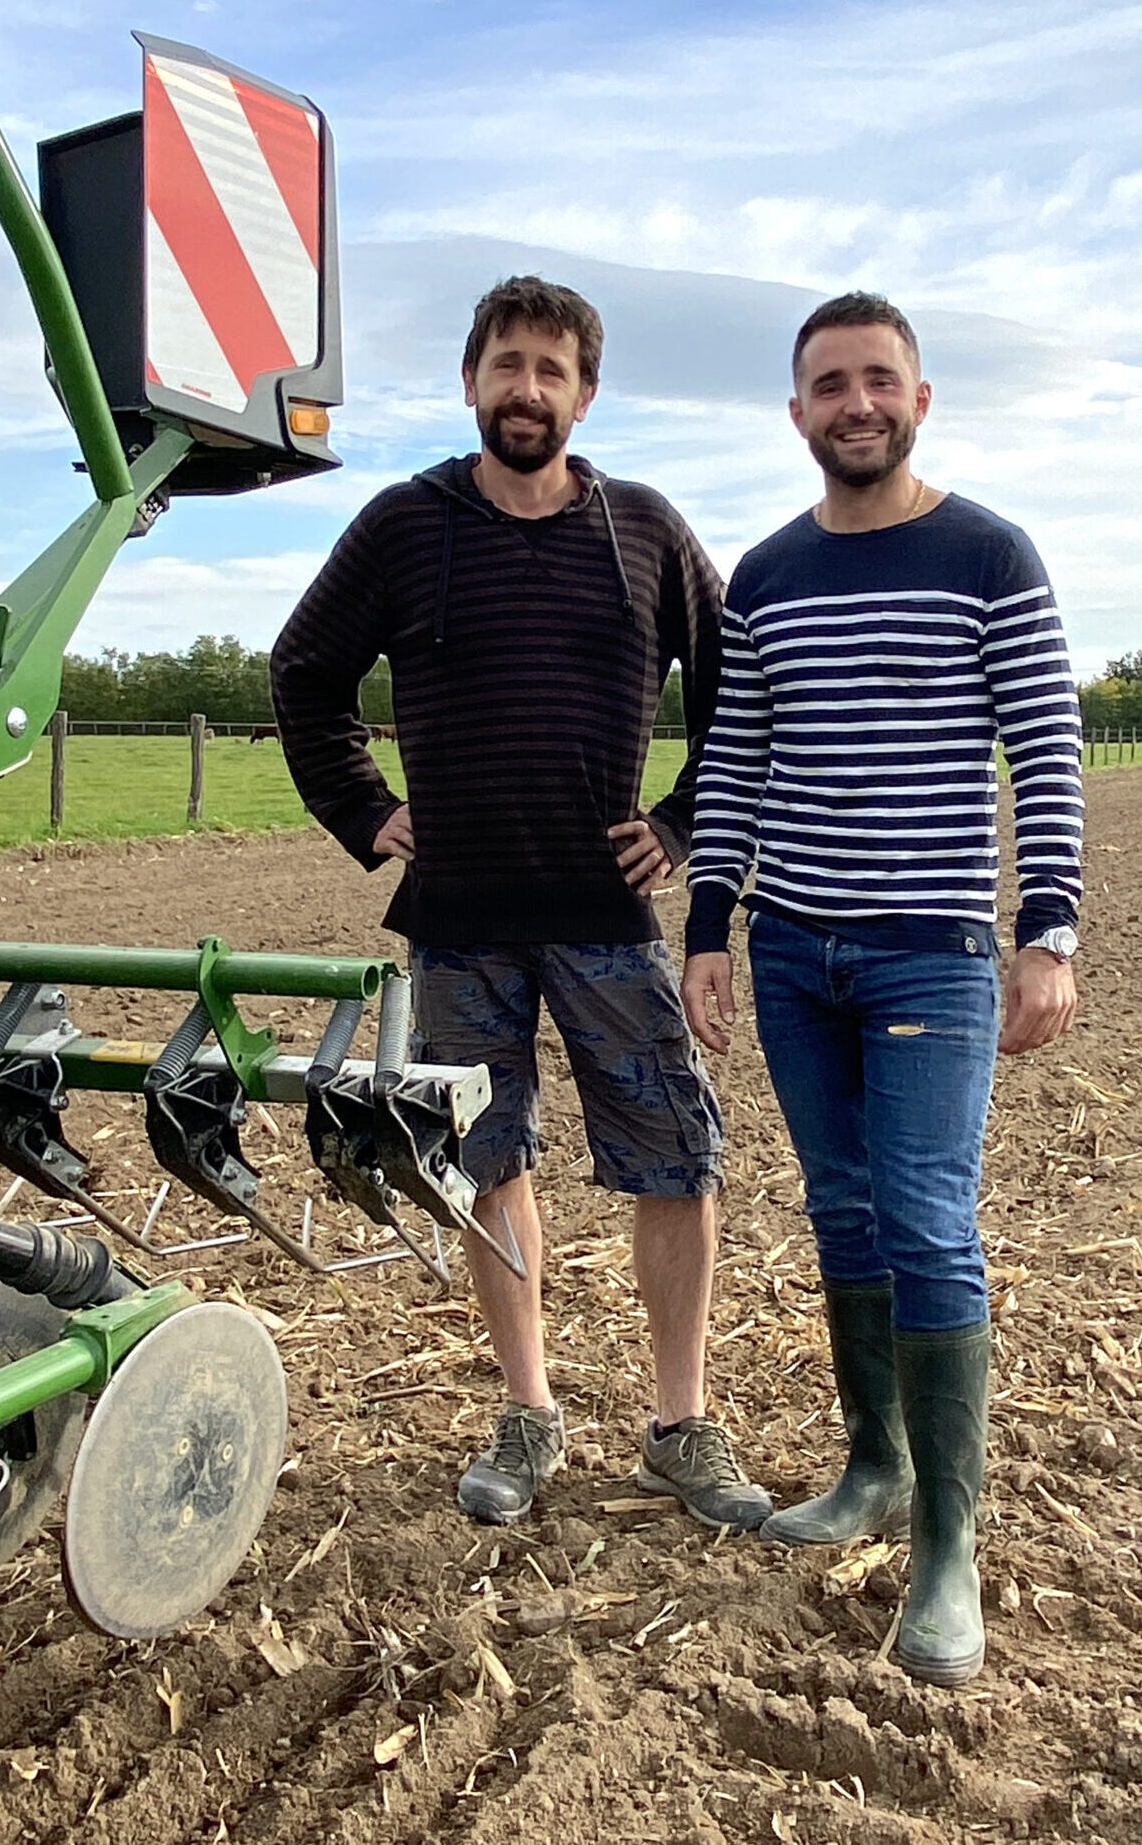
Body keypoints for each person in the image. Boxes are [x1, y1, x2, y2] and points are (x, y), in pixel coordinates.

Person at [272, 274, 771, 1534]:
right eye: (507, 364)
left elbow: (740, 695)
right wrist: (364, 807)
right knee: (487, 1157)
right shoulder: (403, 523)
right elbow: (304, 668)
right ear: (469, 379)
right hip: (458, 920)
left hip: (607, 916)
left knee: (675, 1153)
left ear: (584, 394)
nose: (526, 389)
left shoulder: (647, 530)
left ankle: (678, 1422)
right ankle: (528, 1407)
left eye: (552, 370)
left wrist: (673, 824)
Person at [679, 291, 1083, 1684]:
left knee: (924, 1215)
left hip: (929, 948)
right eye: (828, 385)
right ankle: (872, 1463)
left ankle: (948, 1547)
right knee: (839, 1205)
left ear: (920, 399)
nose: (855, 403)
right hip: (792, 948)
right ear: (797, 414)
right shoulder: (770, 576)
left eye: (878, 380)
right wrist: (710, 926)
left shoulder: (987, 554)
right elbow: (735, 759)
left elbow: (1046, 750)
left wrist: (1052, 932)